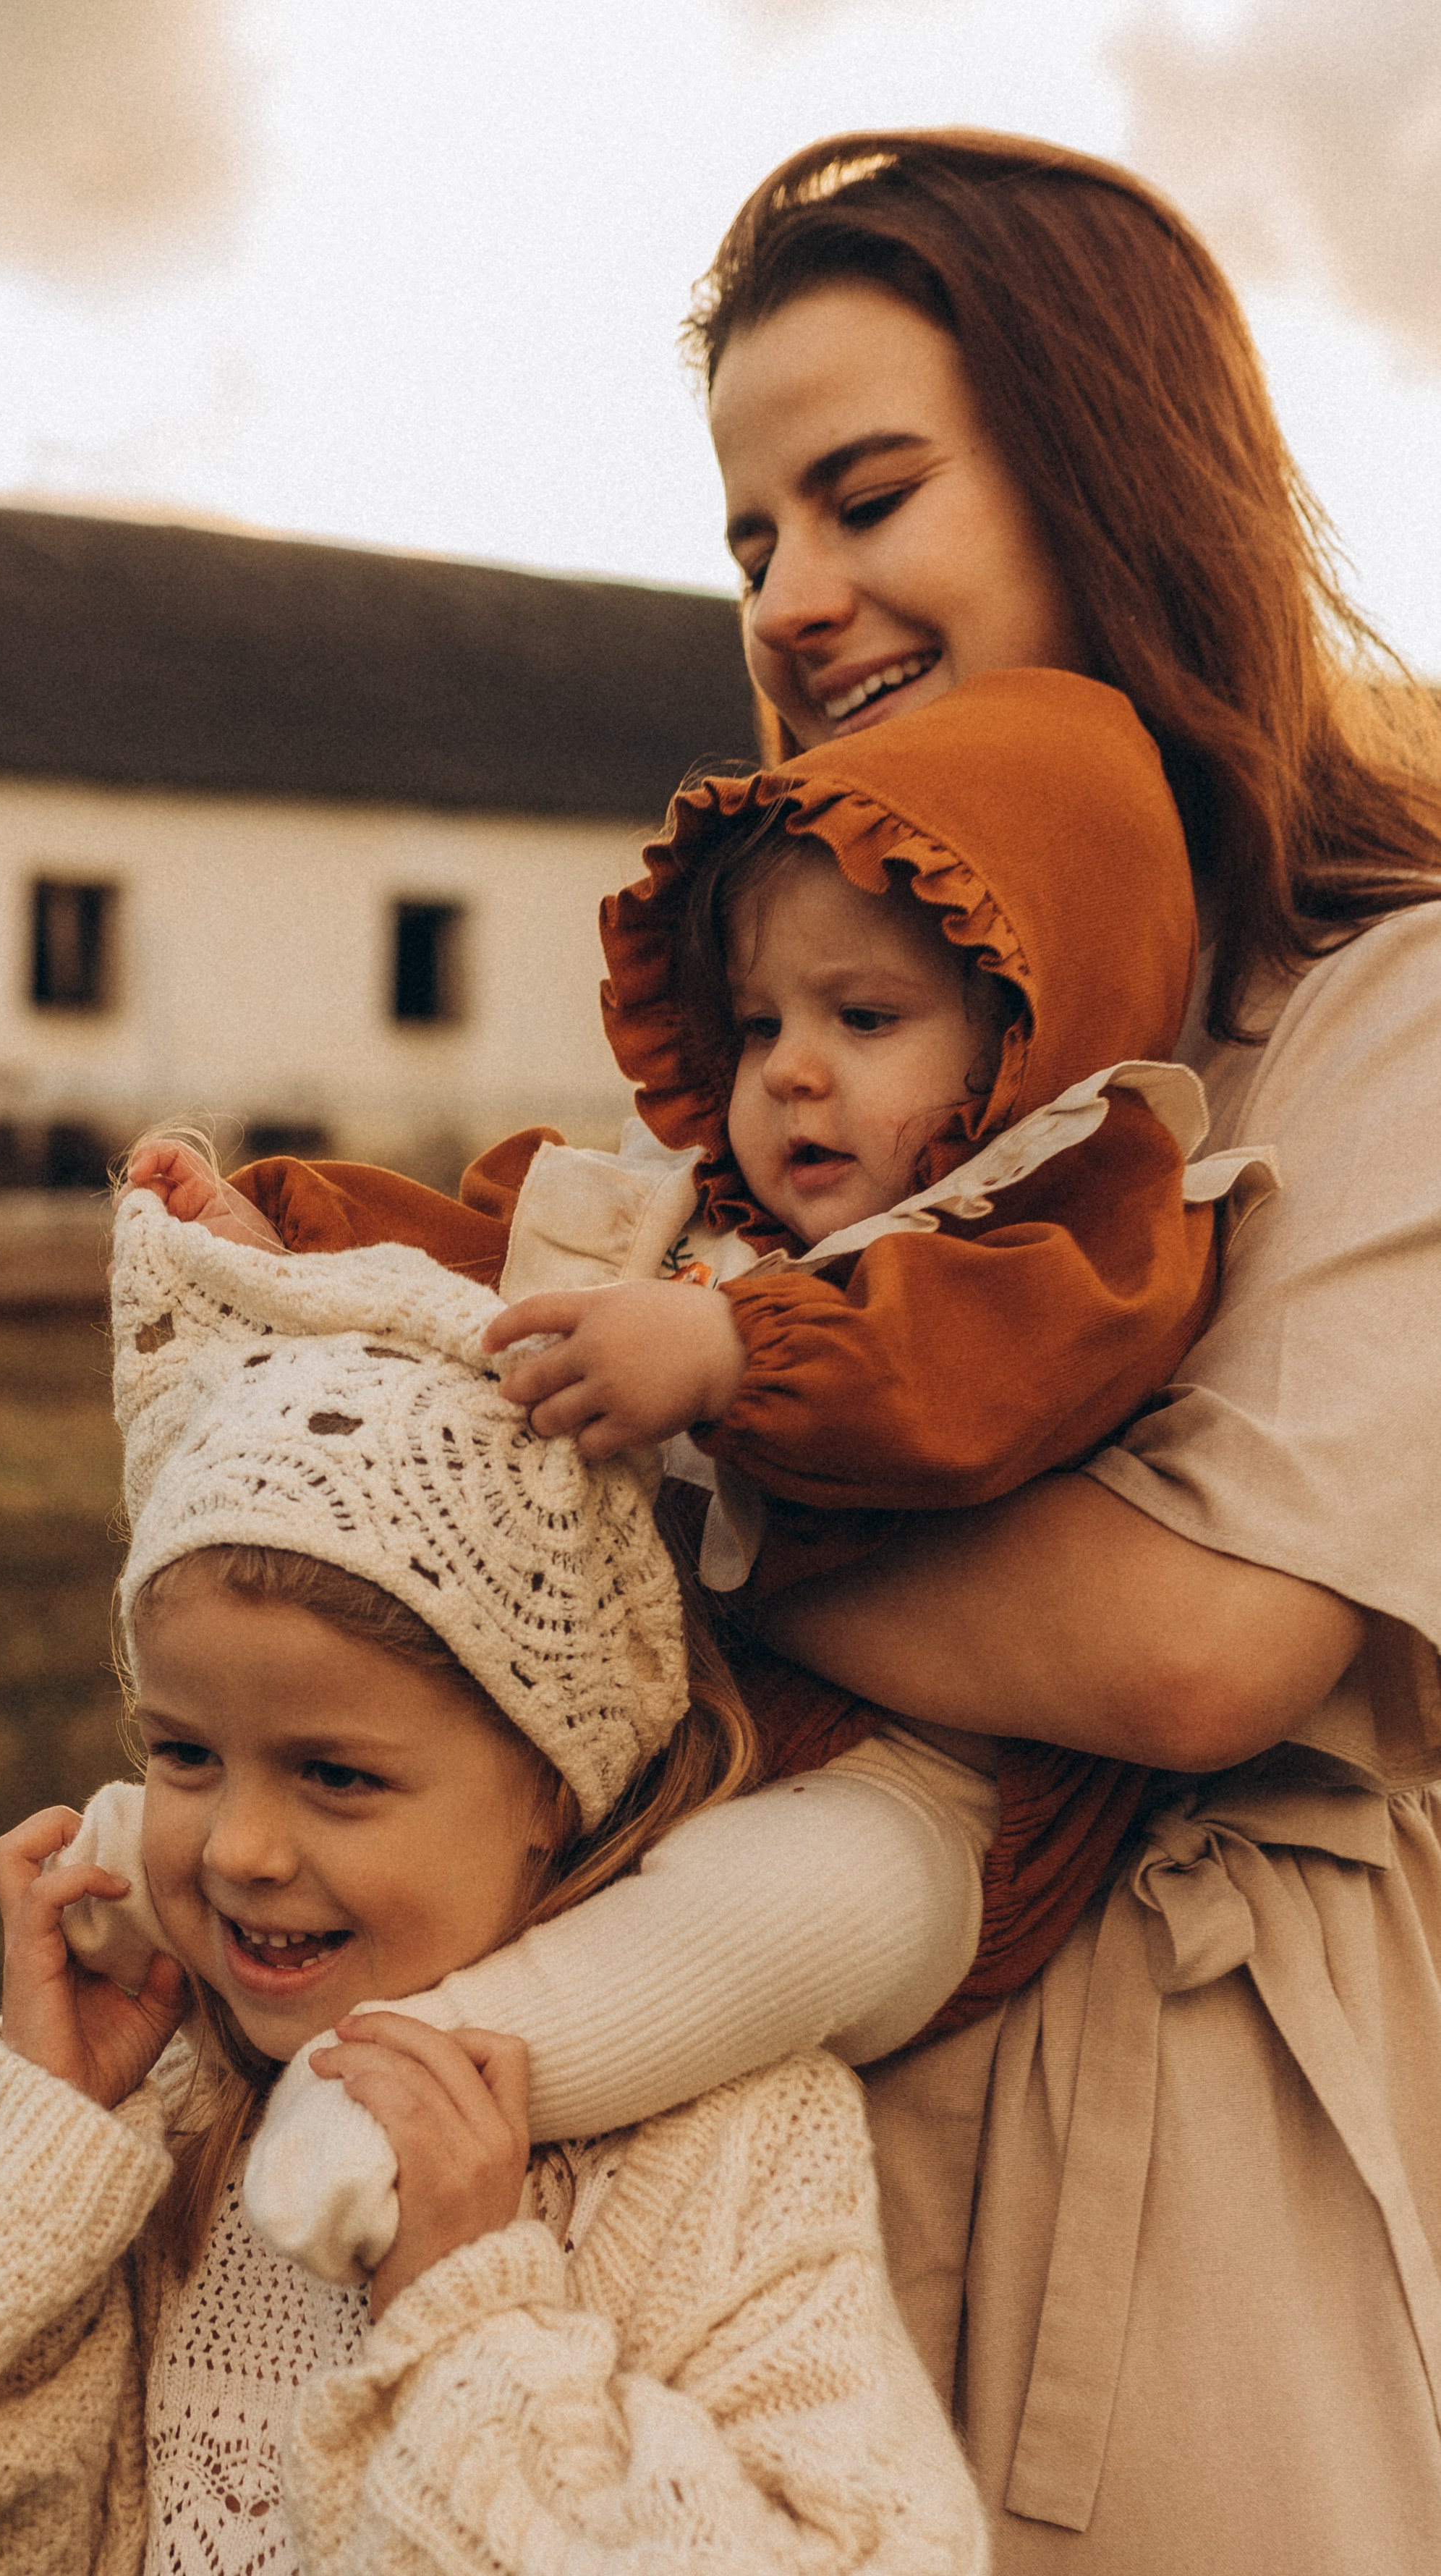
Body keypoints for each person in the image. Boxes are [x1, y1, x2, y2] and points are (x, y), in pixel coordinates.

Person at [112, 666, 1270, 2286]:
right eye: (759, 1024)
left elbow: (970, 1395)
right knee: (430, 1763)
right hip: (682, 1715)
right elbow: (480, 1274)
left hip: (930, 1788)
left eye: (862, 1020)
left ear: (1020, 1029)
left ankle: (414, 2076)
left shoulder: (1066, 1226)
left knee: (773, 1908)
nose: (793, 1070)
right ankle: (174, 1858)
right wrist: (288, 1232)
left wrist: (735, 1356)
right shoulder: (692, 1225)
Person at [684, 128, 1441, 2576]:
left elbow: (1202, 1639)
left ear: (1111, 461)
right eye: (746, 539)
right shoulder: (813, 1022)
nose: (793, 595)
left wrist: (676, 1494)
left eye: (861, 493)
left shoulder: (1380, 1000)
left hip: (1198, 2144)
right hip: (783, 2125)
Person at [0, 1196, 987, 2575]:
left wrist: (462, 2309)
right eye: (185, 1754)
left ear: (548, 1792)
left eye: (336, 1776)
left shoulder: (722, 2143)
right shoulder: (165, 2101)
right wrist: (37, 2128)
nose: (235, 1850)